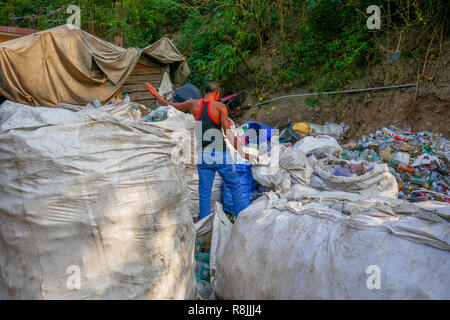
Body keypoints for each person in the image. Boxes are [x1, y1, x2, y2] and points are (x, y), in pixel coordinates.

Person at [145, 81, 254, 219]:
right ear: (217, 93)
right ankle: (242, 220)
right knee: (235, 187)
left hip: (204, 155)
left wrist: (155, 93)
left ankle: (204, 227)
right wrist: (243, 152)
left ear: (204, 92)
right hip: (220, 153)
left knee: (204, 194)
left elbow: (170, 105)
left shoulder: (193, 104)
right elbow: (228, 132)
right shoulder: (220, 107)